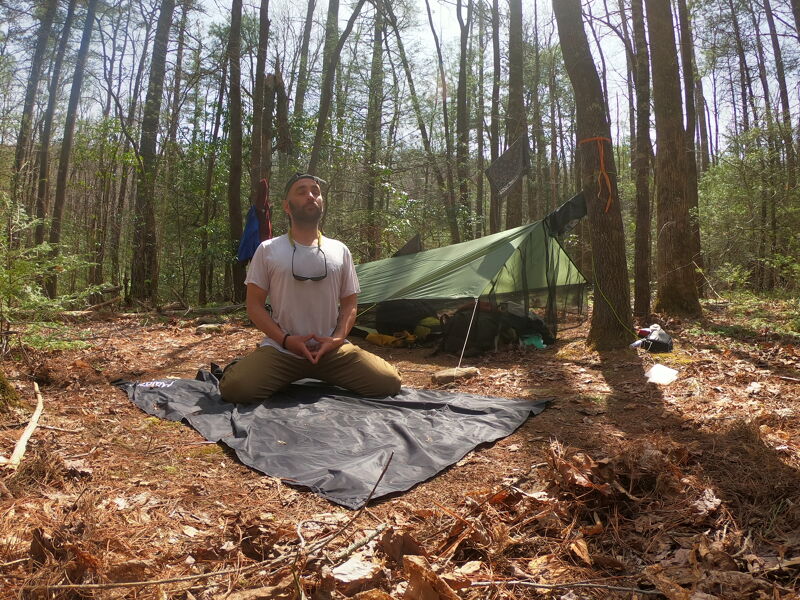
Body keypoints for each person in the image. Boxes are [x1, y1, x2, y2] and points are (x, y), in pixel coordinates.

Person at [220, 172, 402, 403]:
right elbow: (254, 306)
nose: (310, 196)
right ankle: (251, 366)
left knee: (388, 382)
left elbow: (349, 305)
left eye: (315, 192)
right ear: (287, 207)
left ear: (322, 203)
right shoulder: (268, 250)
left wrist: (336, 339)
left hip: (331, 351)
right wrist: (286, 340)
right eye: (302, 191)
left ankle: (323, 369)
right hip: (282, 350)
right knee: (235, 389)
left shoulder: (340, 250)